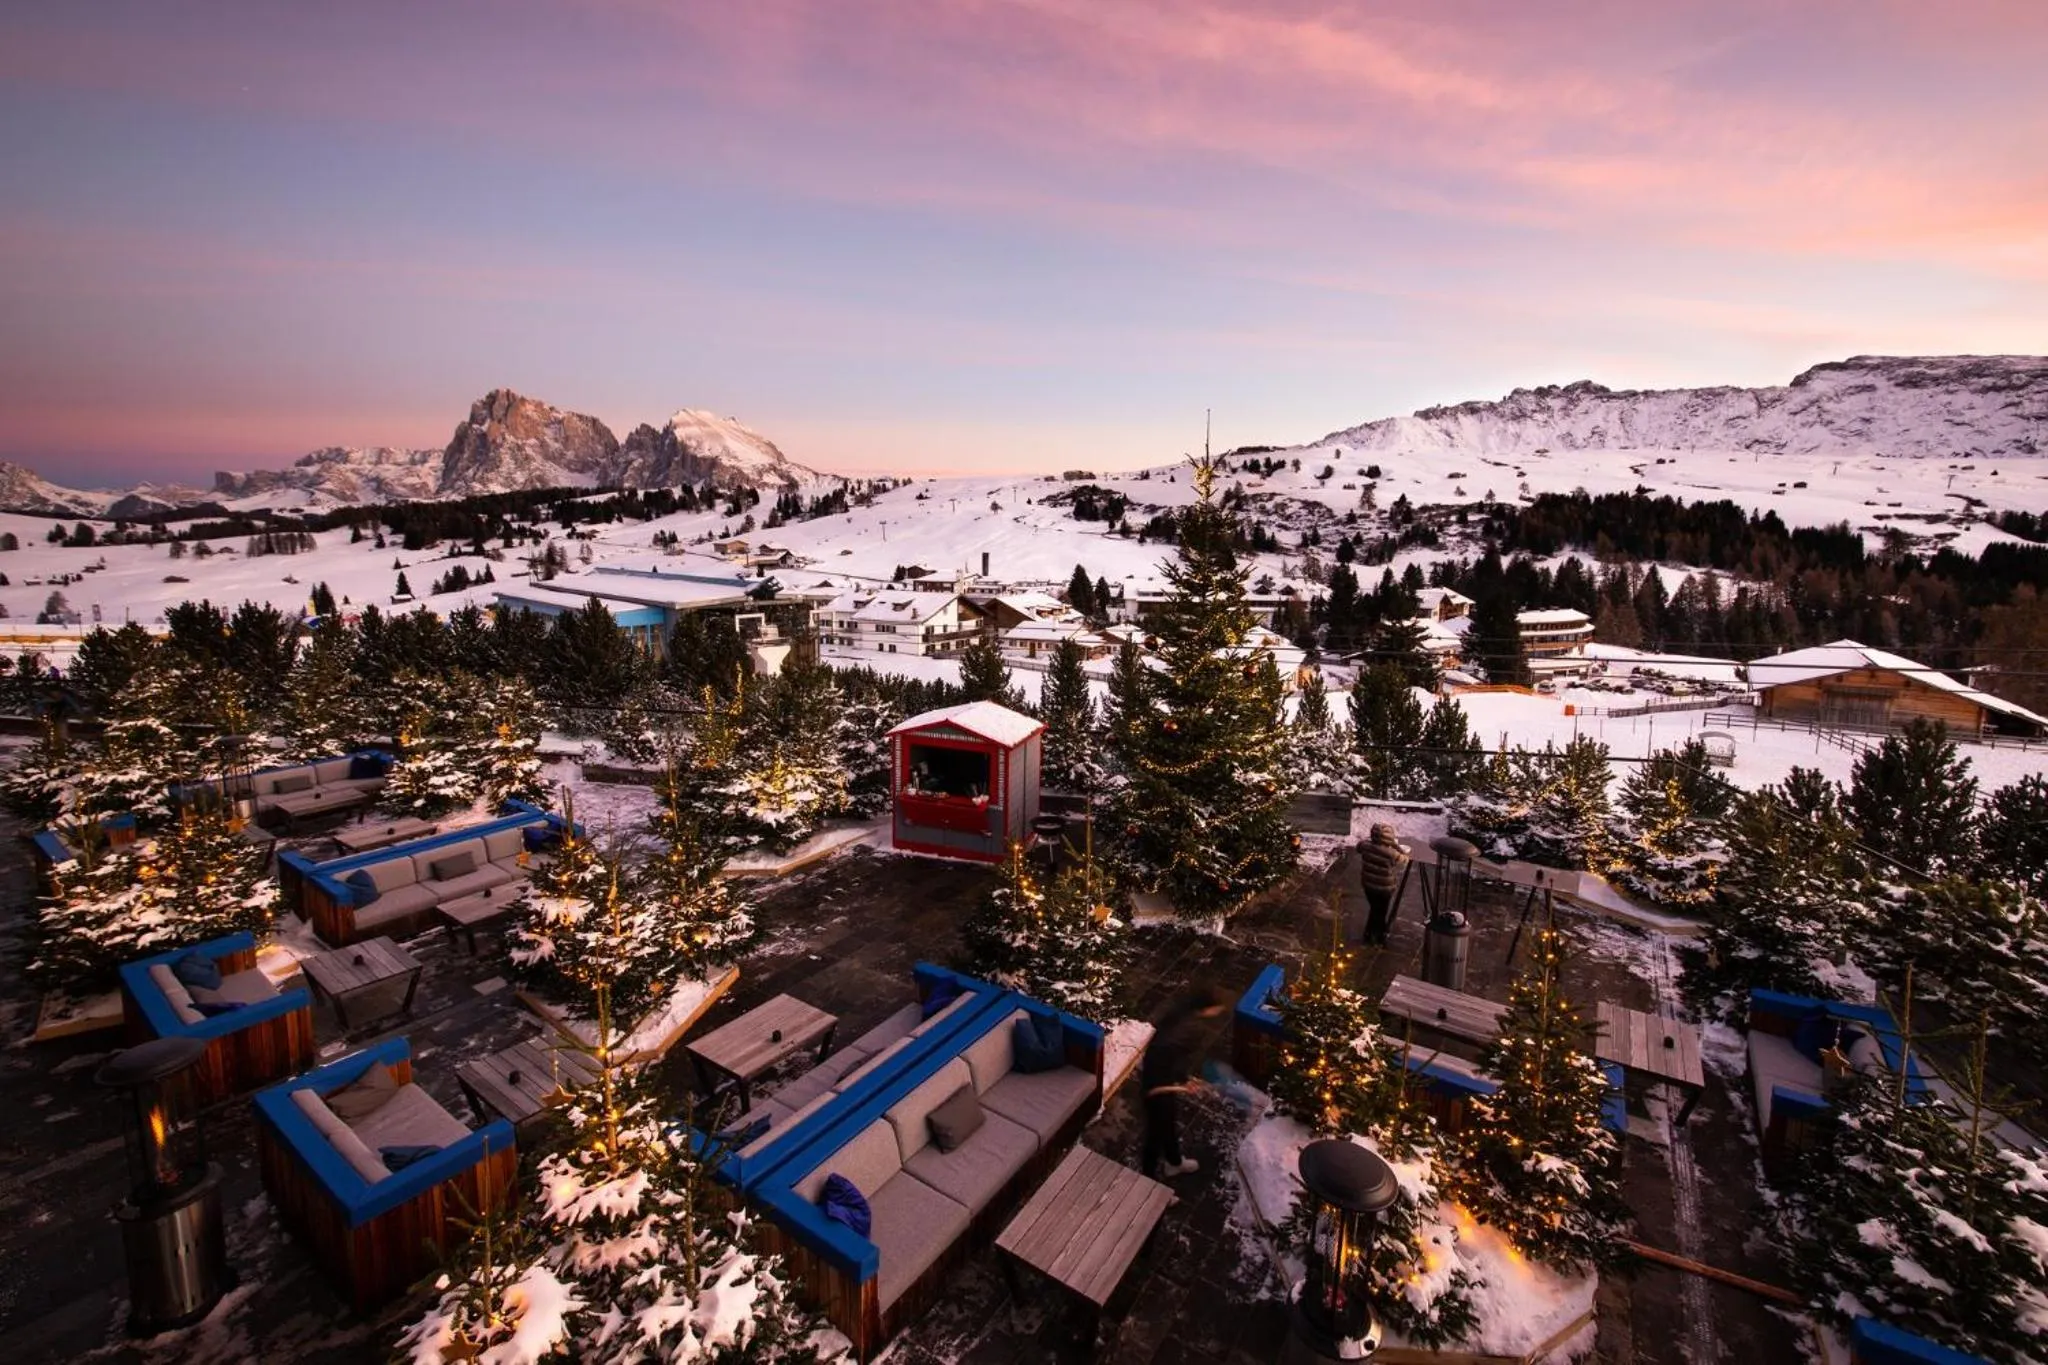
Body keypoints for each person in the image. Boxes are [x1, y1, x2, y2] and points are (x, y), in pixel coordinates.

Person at [1141, 985, 1231, 1178]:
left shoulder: (1181, 1014)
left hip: (1158, 1080)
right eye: (1218, 1008)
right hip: (1158, 1086)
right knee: (1157, 1132)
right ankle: (1147, 1180)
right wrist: (1179, 1082)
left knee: (1166, 1125)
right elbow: (1171, 1057)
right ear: (1208, 1007)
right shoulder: (1187, 1031)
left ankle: (1173, 1161)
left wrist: (1182, 1079)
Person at [1357, 823, 1409, 946]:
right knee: (1380, 911)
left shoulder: (1366, 846)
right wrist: (1396, 846)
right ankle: (1378, 935)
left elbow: (1359, 846)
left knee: (1375, 908)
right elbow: (1404, 860)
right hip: (1385, 888)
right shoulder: (1391, 853)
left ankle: (1370, 933)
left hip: (1368, 885)